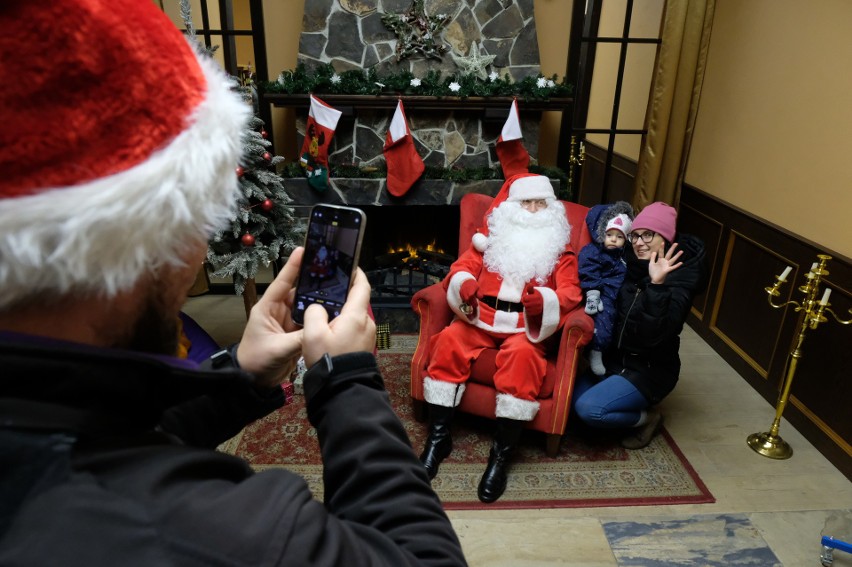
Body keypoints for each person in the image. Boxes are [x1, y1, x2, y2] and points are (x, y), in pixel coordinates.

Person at [0, 2, 467, 566]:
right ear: (149, 240)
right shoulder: (227, 534)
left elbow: (104, 433)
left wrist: (240, 378)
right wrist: (345, 381)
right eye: (200, 216)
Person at [419, 173, 583, 503]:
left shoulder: (559, 251)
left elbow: (570, 292)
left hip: (526, 327)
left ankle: (500, 456)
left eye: (541, 203)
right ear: (511, 207)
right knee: (449, 341)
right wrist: (464, 283)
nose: (534, 210)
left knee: (523, 359)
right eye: (527, 202)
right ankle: (438, 439)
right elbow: (462, 265)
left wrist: (546, 303)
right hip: (480, 318)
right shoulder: (490, 239)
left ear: (551, 209)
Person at [571, 202, 707, 449]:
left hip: (648, 370)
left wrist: (656, 286)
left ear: (664, 238)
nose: (639, 242)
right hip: (615, 361)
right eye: (635, 235)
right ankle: (617, 397)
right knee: (570, 401)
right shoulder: (628, 264)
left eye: (648, 235)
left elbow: (653, 336)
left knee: (590, 410)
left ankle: (648, 418)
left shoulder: (679, 282)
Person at [578, 201, 634, 376]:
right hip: (599, 293)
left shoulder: (624, 255)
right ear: (602, 233)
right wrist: (593, 291)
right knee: (604, 317)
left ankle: (611, 355)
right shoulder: (594, 251)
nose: (613, 239)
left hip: (618, 294)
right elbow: (587, 270)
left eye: (619, 237)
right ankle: (596, 350)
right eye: (610, 235)